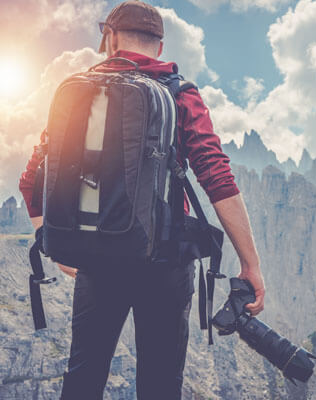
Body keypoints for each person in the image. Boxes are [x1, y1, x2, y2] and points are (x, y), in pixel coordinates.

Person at [18, 1, 265, 398]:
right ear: (161, 47)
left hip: (95, 258)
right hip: (165, 264)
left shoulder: (76, 93)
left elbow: (31, 182)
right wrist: (250, 264)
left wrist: (56, 242)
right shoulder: (181, 94)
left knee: (83, 377)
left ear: (110, 39)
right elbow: (216, 176)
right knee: (161, 384)